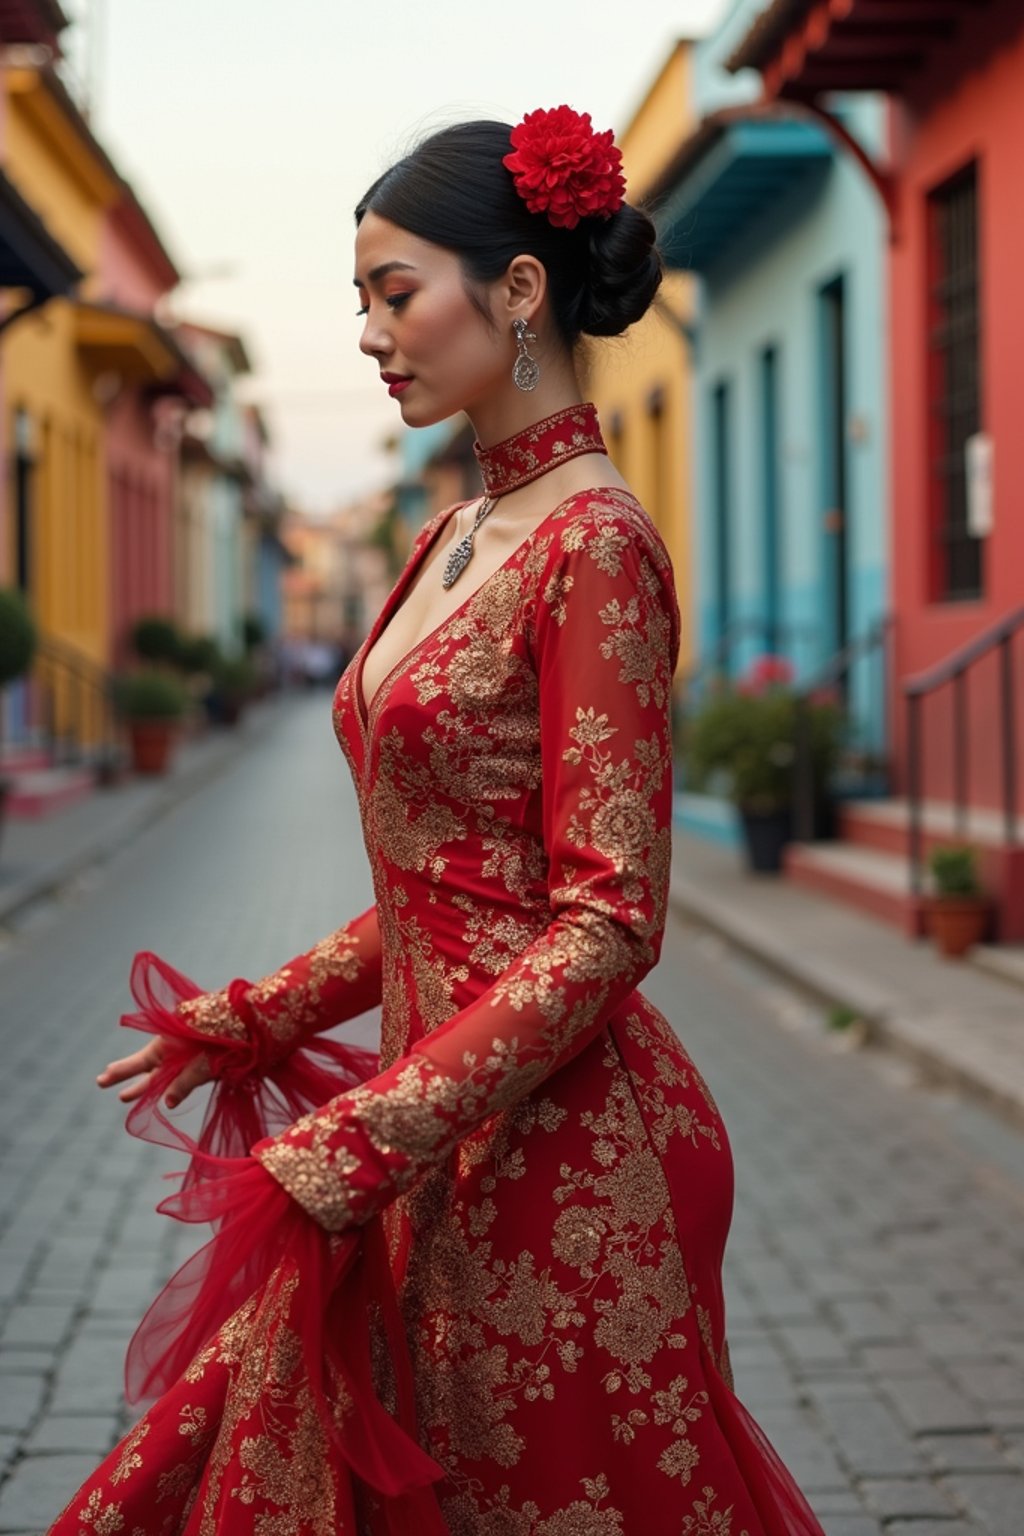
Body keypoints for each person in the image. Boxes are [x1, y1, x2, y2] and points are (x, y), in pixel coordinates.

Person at [46, 108, 826, 1536]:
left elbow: (606, 919)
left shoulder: (595, 549)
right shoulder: (454, 538)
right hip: (434, 1144)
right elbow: (448, 884)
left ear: (518, 290)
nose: (369, 332)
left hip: (567, 1169)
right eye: (362, 300)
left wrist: (368, 1134)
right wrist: (259, 1017)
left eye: (394, 292)